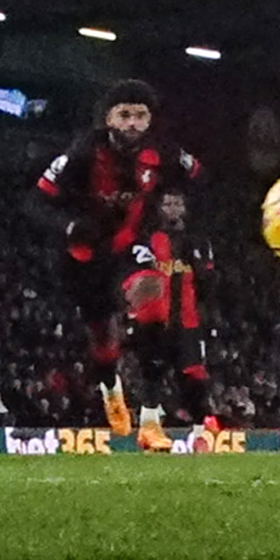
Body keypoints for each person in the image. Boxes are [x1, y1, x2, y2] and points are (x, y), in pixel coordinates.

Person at [35, 79, 202, 437]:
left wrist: (176, 214)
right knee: (103, 339)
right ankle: (111, 387)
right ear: (108, 119)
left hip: (132, 246)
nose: (132, 124)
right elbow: (35, 202)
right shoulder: (80, 155)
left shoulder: (165, 153)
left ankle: (151, 417)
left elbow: (201, 178)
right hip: (85, 253)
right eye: (124, 115)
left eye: (140, 116)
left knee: (154, 311)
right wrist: (68, 226)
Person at [122, 187, 215, 450]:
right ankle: (149, 431)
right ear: (160, 208)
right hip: (153, 319)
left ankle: (200, 434)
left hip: (188, 321)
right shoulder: (146, 239)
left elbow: (208, 283)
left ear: (184, 208)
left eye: (177, 203)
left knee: (194, 377)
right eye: (168, 203)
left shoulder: (197, 241)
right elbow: (133, 274)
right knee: (151, 372)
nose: (172, 208)